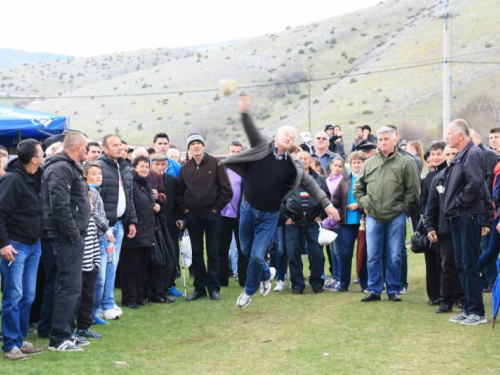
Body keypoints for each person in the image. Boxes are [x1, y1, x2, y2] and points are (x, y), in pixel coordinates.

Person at [223, 95, 339, 308]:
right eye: (285, 133)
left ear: (292, 141)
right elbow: (251, 129)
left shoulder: (293, 166)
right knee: (247, 251)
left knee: (258, 255)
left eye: (291, 135)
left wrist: (328, 205)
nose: (288, 136)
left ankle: (249, 292)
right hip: (248, 209)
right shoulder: (261, 147)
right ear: (276, 136)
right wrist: (244, 112)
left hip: (269, 215)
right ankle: (267, 274)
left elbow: (312, 185)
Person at [354, 126, 420, 303]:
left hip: (396, 217)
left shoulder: (406, 162)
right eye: (380, 139)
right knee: (373, 254)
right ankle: (374, 289)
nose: (382, 142)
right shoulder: (369, 163)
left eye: (386, 139)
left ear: (395, 140)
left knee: (395, 255)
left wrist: (403, 209)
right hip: (373, 216)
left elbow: (413, 191)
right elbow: (358, 188)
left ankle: (393, 289)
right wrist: (365, 205)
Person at [43, 132, 91, 352]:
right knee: (68, 286)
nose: (88, 151)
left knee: (73, 286)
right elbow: (59, 205)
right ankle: (59, 337)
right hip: (66, 236)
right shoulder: (60, 168)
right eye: (86, 147)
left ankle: (67, 331)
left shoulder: (70, 167)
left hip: (72, 235)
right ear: (79, 146)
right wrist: (73, 233)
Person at [443, 119, 492, 325]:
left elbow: (474, 185)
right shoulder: (460, 155)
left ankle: (477, 312)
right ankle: (468, 307)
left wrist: (456, 203)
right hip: (458, 215)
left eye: (449, 133)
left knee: (469, 263)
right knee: (461, 263)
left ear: (460, 135)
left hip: (468, 215)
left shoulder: (472, 154)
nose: (447, 137)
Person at [0, 139, 45, 360]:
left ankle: (19, 339)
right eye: (41, 151)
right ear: (34, 159)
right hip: (15, 246)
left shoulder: (37, 175)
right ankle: (10, 345)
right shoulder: (13, 180)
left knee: (28, 295)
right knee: (13, 295)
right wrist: (3, 243)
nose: (44, 154)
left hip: (34, 244)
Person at [177, 133, 233, 301]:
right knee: (196, 252)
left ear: (203, 146)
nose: (195, 146)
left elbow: (226, 189)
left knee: (213, 251)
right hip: (192, 214)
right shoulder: (185, 168)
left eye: (198, 143)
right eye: (192, 144)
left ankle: (213, 288)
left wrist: (216, 208)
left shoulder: (216, 164)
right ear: (188, 148)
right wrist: (185, 210)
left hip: (212, 213)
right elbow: (180, 192)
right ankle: (199, 288)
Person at [95, 135, 137, 321]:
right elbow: (95, 201)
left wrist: (131, 221)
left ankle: (108, 303)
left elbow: (129, 197)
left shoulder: (125, 167)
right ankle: (98, 308)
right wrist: (104, 227)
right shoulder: (100, 168)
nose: (120, 147)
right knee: (102, 268)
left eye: (121, 144)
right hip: (105, 227)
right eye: (115, 145)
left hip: (120, 224)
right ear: (104, 149)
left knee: (113, 265)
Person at [74, 162, 115, 335]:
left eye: (100, 174)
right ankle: (86, 317)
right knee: (92, 282)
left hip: (96, 241)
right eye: (94, 173)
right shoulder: (88, 191)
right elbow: (94, 214)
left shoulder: (96, 191)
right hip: (89, 242)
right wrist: (106, 229)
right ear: (85, 175)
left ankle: (91, 315)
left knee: (98, 280)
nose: (98, 176)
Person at [282, 150, 330, 294]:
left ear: (310, 161)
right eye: (300, 158)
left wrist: (322, 215)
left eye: (306, 159)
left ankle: (316, 283)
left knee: (317, 254)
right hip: (293, 223)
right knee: (293, 254)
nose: (303, 161)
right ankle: (297, 284)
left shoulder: (320, 179)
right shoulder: (288, 179)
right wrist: (286, 218)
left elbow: (327, 198)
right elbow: (279, 200)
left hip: (312, 223)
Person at [425, 145, 464, 313]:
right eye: (447, 154)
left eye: (454, 153)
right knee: (446, 265)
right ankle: (446, 301)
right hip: (445, 229)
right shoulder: (438, 178)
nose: (451, 156)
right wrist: (430, 227)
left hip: (464, 227)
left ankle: (463, 298)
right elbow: (431, 207)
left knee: (464, 264)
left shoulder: (468, 176)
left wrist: (484, 222)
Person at [121, 156, 159, 309]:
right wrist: (132, 222)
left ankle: (140, 296)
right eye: (141, 166)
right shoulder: (131, 184)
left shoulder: (147, 184)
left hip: (147, 231)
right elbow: (130, 205)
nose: (144, 169)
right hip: (134, 231)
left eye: (146, 166)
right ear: (134, 167)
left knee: (143, 267)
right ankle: (129, 298)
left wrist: (156, 206)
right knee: (131, 268)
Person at [332, 151, 366, 292]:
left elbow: (372, 196)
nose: (356, 165)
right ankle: (344, 283)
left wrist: (359, 205)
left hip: (364, 222)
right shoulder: (345, 180)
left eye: (359, 162)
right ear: (350, 165)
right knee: (345, 253)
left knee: (364, 253)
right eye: (354, 162)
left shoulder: (368, 179)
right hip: (346, 222)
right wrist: (329, 205)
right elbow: (337, 199)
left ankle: (366, 283)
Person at [420, 141, 448, 306]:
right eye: (432, 154)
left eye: (439, 154)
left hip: (447, 226)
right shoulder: (429, 177)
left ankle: (449, 295)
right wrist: (428, 221)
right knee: (431, 260)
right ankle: (433, 295)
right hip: (431, 225)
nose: (435, 158)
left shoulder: (451, 172)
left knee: (446, 262)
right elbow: (423, 202)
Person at [218, 141, 247, 287]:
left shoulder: (246, 170)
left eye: (238, 151)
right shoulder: (221, 168)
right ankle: (222, 279)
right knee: (221, 248)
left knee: (243, 248)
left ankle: (243, 278)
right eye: (232, 151)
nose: (235, 154)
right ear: (228, 152)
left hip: (240, 215)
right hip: (223, 214)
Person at [324, 157, 345, 288]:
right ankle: (335, 276)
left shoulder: (343, 181)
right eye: (335, 165)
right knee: (331, 250)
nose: (337, 168)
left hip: (337, 219)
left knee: (338, 250)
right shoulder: (326, 180)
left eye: (340, 166)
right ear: (331, 166)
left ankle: (340, 278)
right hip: (327, 219)